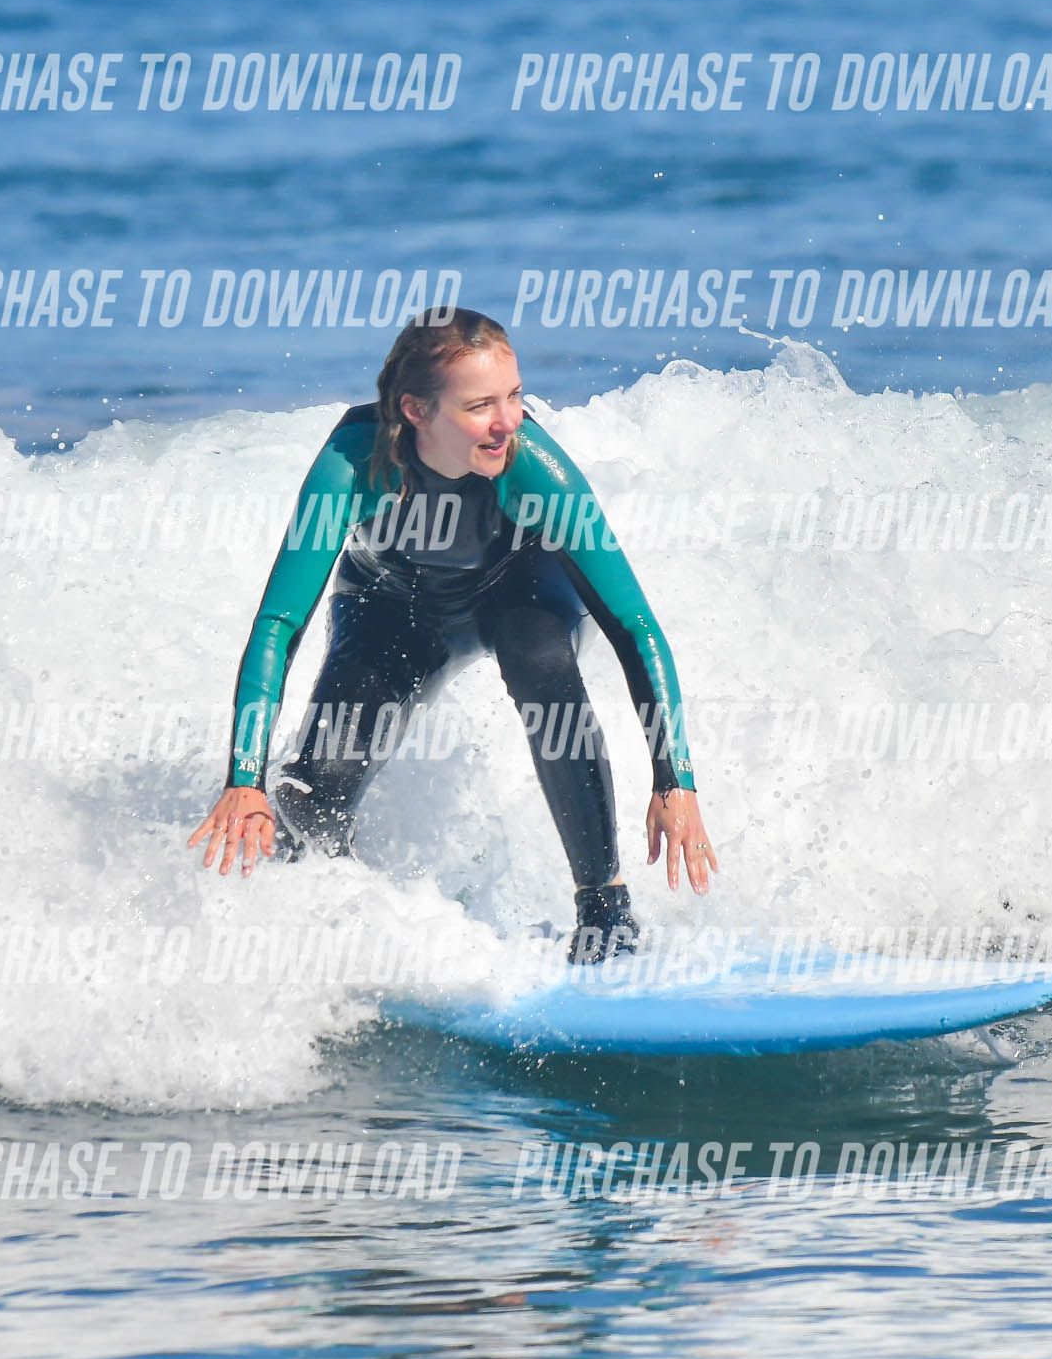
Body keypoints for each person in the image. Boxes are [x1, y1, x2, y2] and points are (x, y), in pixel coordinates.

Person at [187, 308, 719, 963]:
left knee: (539, 661)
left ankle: (604, 909)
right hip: (390, 607)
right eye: (479, 406)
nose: (508, 422)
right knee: (312, 791)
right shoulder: (352, 464)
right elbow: (280, 622)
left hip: (517, 592)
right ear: (415, 411)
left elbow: (633, 625)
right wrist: (243, 780)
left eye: (514, 396)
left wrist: (673, 780)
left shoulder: (531, 468)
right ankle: (338, 920)